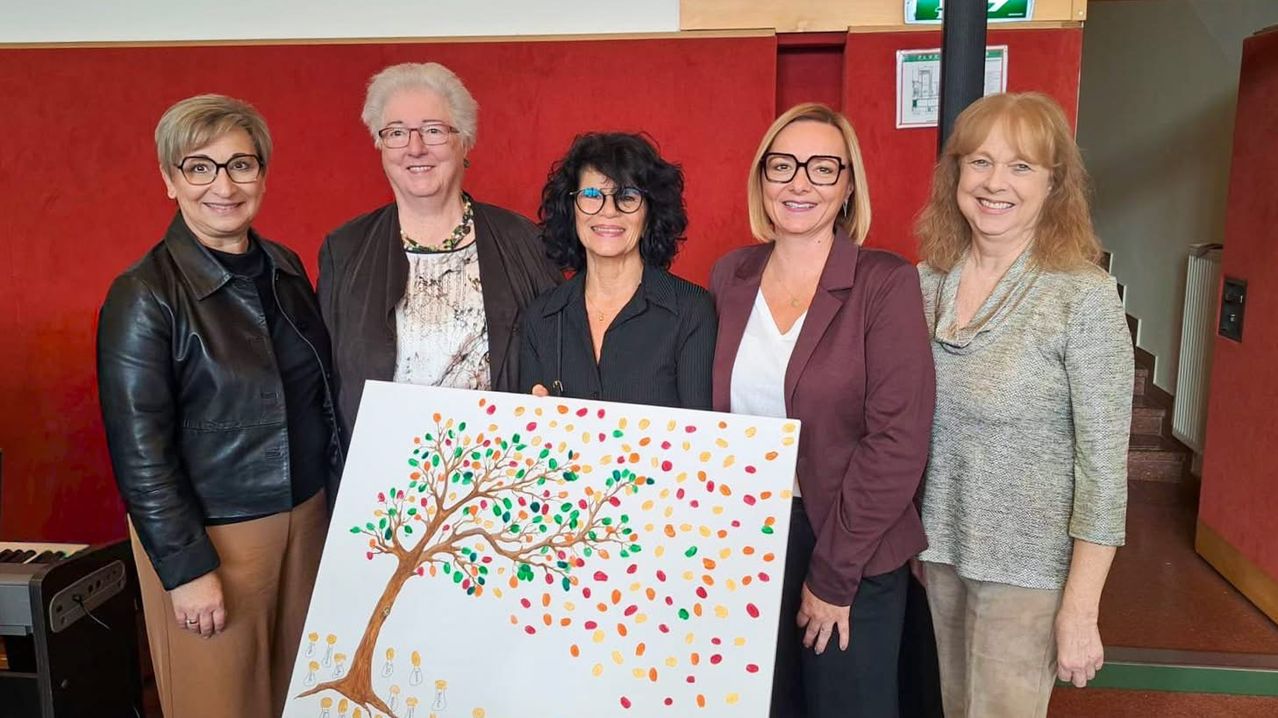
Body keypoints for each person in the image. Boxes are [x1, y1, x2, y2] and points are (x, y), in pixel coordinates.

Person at [97, 94, 340, 717]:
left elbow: (316, 397)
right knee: (221, 707)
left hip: (307, 519)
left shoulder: (284, 266)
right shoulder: (144, 295)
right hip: (217, 540)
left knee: (304, 700)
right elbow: (140, 452)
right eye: (199, 167)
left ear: (263, 172)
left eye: (241, 164)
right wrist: (185, 569)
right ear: (169, 180)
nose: (223, 185)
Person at [710, 103, 936, 717]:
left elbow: (898, 440)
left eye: (822, 167)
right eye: (782, 166)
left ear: (848, 185)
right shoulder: (731, 276)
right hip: (749, 540)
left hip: (850, 540)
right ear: (762, 180)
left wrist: (833, 575)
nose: (799, 182)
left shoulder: (884, 283)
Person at [915, 91, 1133, 717]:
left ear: (1053, 183)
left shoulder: (1082, 299)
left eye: (1020, 167)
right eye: (979, 162)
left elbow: (1102, 472)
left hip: (1028, 570)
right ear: (955, 173)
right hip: (937, 554)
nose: (994, 183)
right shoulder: (929, 280)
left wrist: (1081, 608)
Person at [318, 62, 562, 439]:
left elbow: (558, 357)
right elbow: (327, 384)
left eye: (433, 131)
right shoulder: (345, 250)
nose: (415, 148)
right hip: (381, 475)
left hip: (500, 469)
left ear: (464, 140)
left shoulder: (524, 241)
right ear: (381, 145)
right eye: (397, 133)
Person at [520, 132, 715, 408]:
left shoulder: (691, 310)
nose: (609, 211)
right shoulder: (541, 317)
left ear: (650, 211)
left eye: (627, 195)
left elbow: (700, 437)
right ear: (570, 209)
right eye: (591, 194)